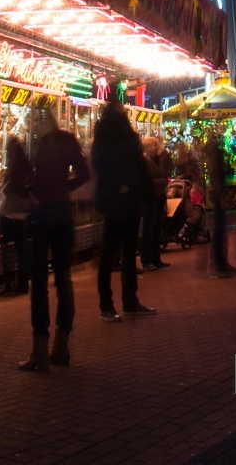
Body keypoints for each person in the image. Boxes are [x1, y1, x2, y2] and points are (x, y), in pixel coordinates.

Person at [17, 107, 90, 373]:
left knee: (39, 282)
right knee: (63, 280)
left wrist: (36, 189)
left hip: (42, 214)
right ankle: (62, 345)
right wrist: (64, 188)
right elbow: (84, 173)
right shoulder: (66, 139)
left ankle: (39, 350)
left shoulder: (35, 143)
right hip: (63, 213)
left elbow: (27, 179)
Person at [92, 102, 156, 321]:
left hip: (117, 199)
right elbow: (136, 166)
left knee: (113, 252)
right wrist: (126, 184)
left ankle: (110, 304)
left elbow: (100, 165)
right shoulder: (124, 137)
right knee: (124, 252)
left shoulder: (105, 136)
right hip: (125, 198)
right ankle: (125, 302)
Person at [0, 136, 33, 296]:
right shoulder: (26, 163)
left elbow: (8, 186)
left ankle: (8, 283)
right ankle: (23, 284)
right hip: (22, 212)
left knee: (4, 246)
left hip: (9, 211)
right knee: (21, 248)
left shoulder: (12, 166)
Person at [205, 128, 236, 277]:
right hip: (217, 193)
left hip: (217, 191)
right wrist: (220, 195)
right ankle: (217, 265)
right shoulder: (215, 150)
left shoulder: (214, 149)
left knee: (221, 229)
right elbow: (216, 173)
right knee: (219, 229)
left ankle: (222, 263)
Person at [140, 136, 171, 270]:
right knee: (149, 229)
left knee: (157, 228)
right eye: (154, 145)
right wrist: (163, 182)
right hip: (151, 198)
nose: (157, 147)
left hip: (159, 197)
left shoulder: (157, 160)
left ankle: (156, 258)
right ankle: (147, 260)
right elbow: (147, 180)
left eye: (157, 145)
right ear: (148, 147)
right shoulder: (145, 161)